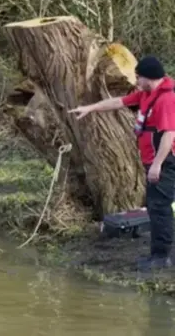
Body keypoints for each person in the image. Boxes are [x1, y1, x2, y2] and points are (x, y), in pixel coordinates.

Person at [69, 55, 175, 271]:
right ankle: (160, 254)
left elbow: (169, 134)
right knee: (157, 206)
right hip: (153, 160)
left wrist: (157, 164)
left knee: (159, 208)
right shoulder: (147, 94)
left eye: (139, 77)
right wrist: (90, 108)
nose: (136, 81)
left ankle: (160, 258)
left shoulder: (165, 100)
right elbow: (118, 102)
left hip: (164, 161)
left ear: (150, 78)